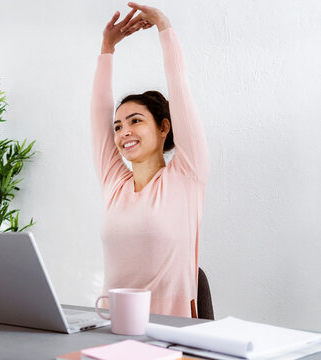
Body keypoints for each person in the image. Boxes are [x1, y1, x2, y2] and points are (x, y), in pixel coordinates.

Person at [91, 2, 209, 317]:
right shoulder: (114, 184)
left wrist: (164, 27)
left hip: (173, 338)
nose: (123, 131)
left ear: (163, 128)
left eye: (135, 121)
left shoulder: (186, 176)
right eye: (118, 126)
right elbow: (97, 117)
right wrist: (107, 49)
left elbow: (179, 87)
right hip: (115, 332)